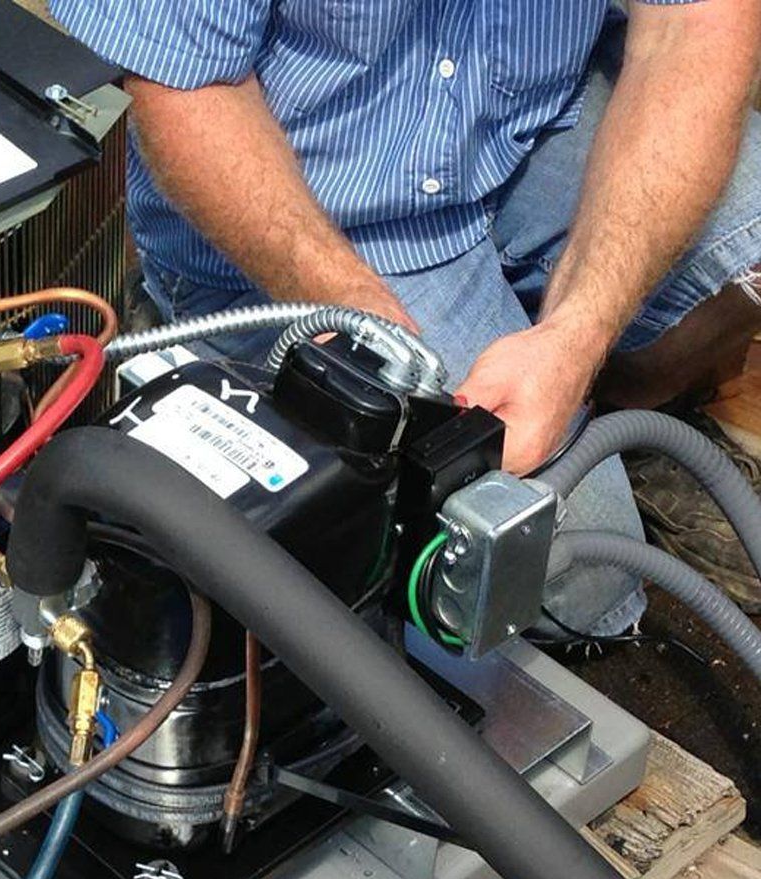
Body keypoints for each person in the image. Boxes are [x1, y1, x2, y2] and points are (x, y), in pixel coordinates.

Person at [51, 0, 761, 632]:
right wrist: (371, 334)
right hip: (318, 217)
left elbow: (693, 28)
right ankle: (203, 349)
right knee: (583, 582)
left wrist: (577, 337)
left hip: (521, 134)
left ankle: (609, 416)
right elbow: (186, 87)